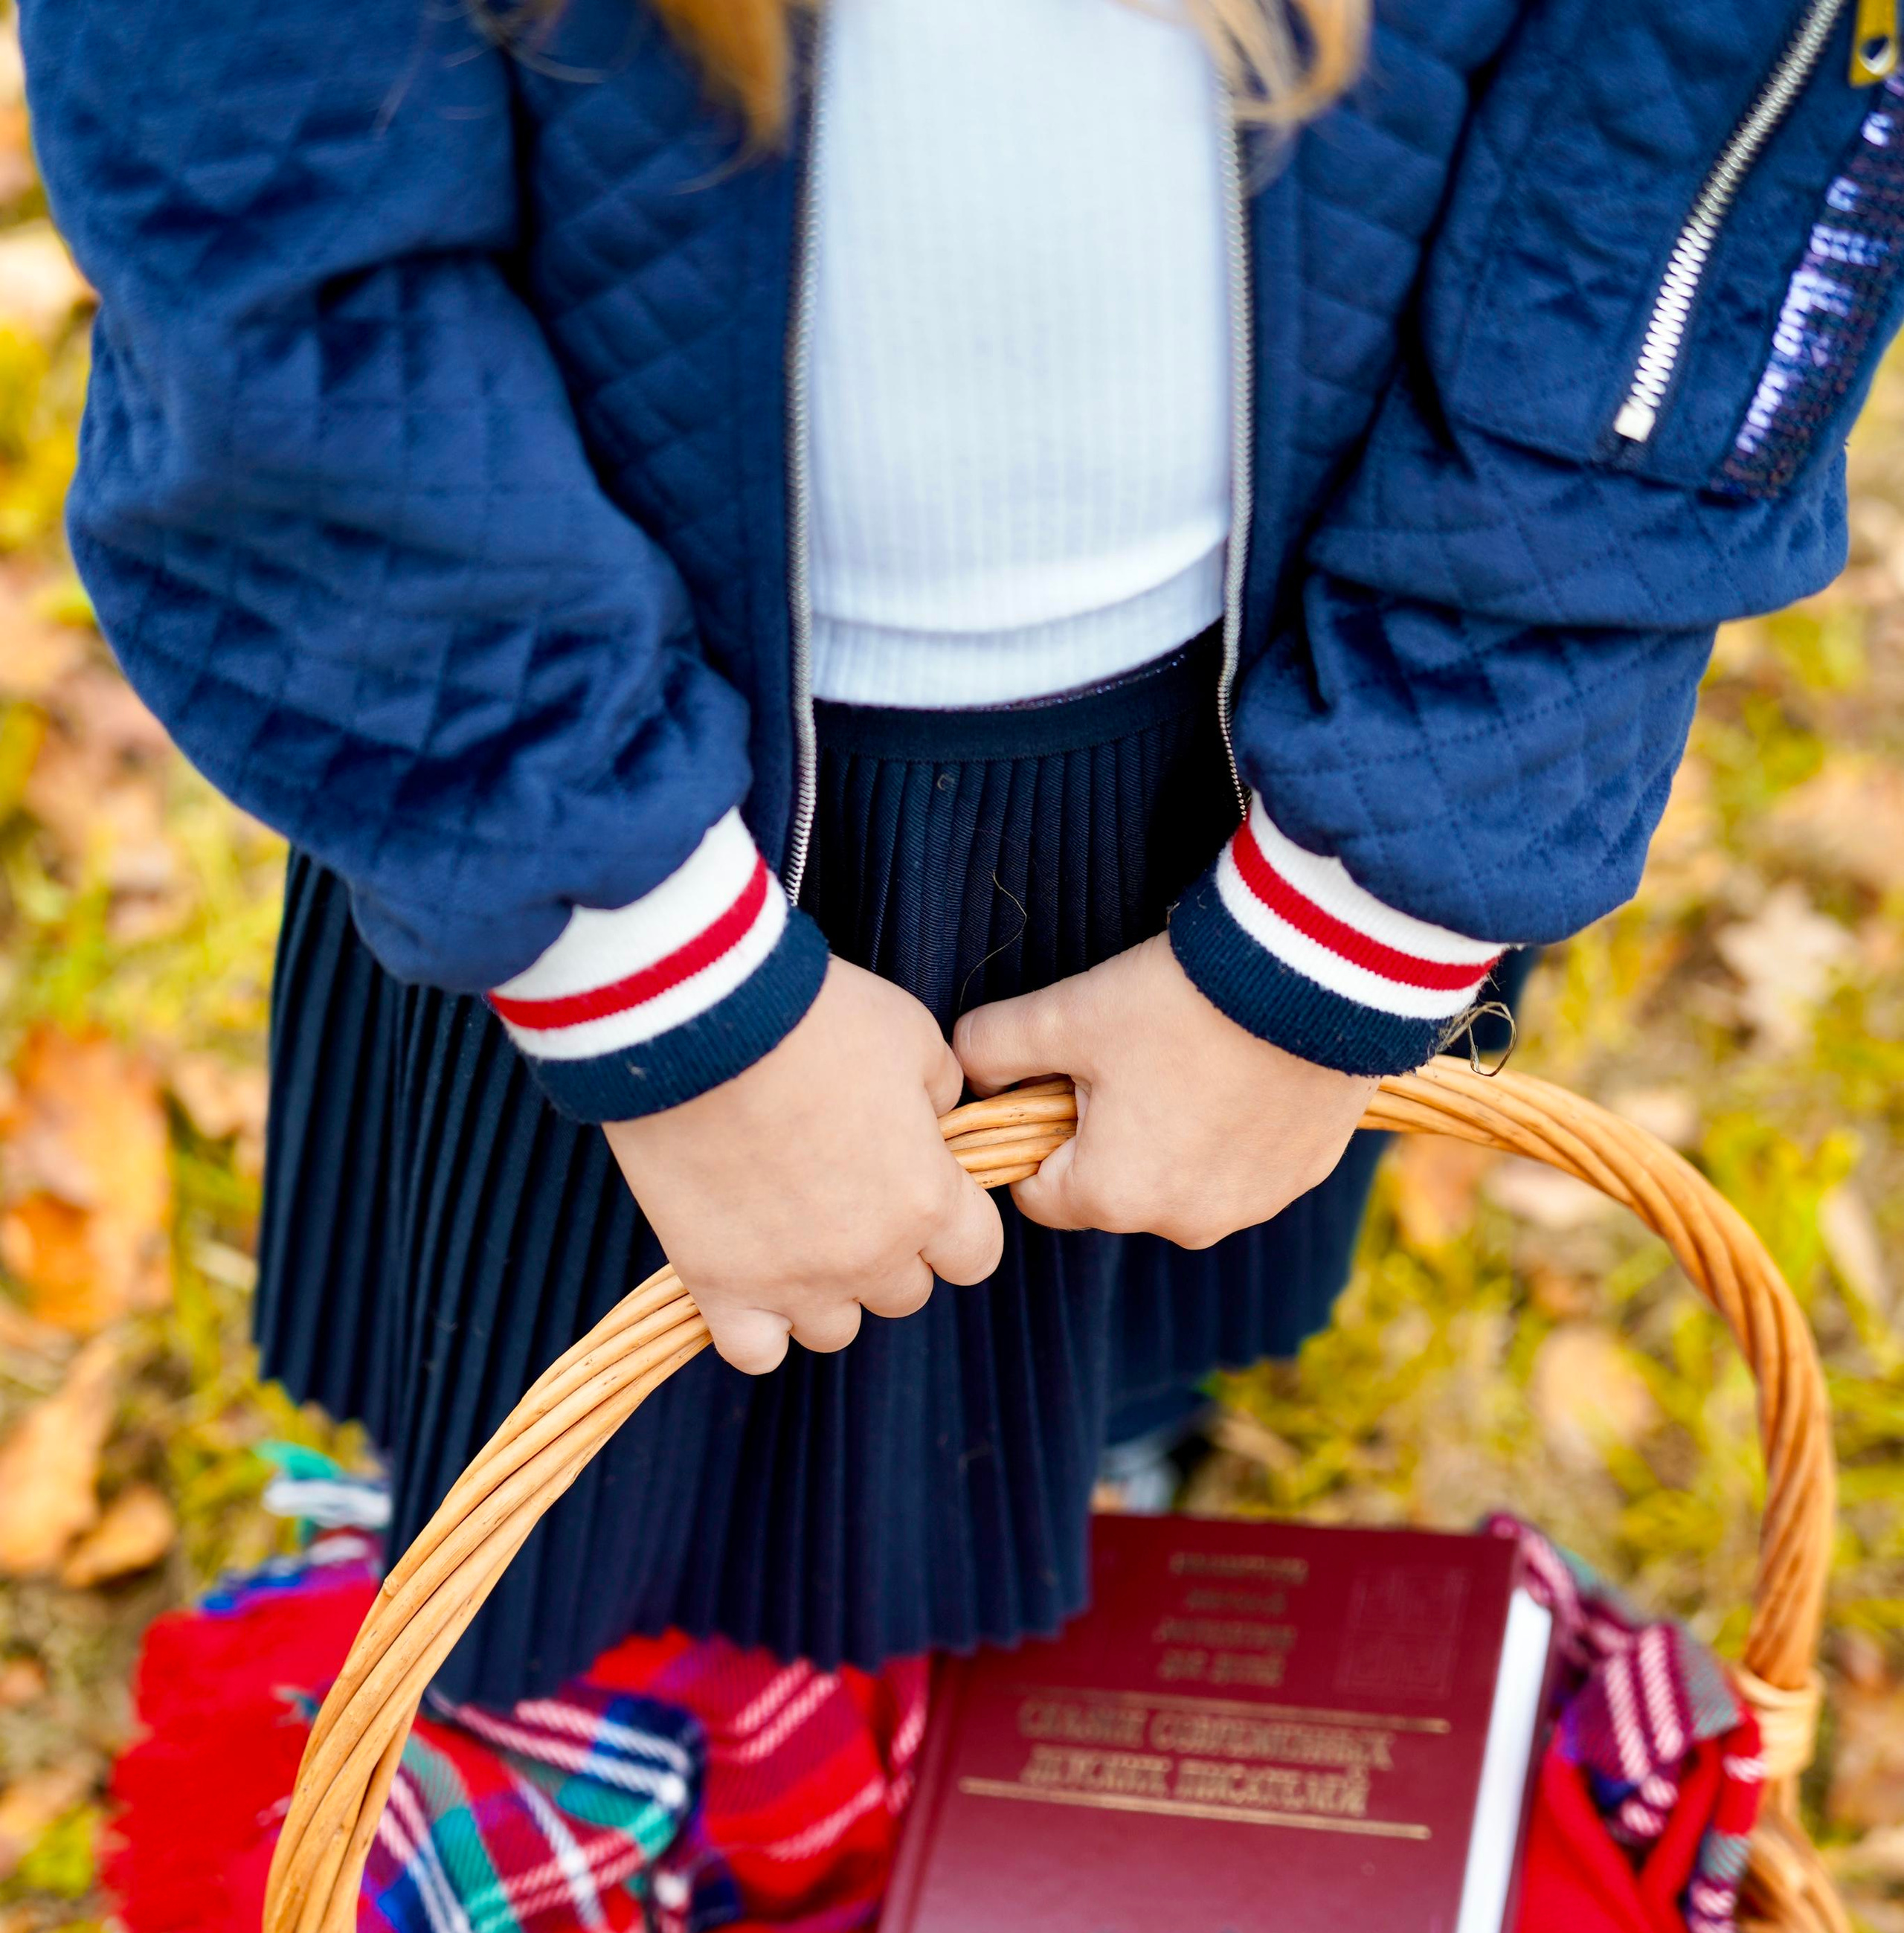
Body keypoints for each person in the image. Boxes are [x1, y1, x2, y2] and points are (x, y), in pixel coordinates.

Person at [20, 0, 1903, 1700]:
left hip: (1241, 747)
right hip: (588, 755)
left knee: (1109, 1273)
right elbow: (278, 290)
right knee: (547, 1352)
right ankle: (536, 1651)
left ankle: (1084, 1473)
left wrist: (1351, 920)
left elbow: (1685, 215)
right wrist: (640, 965)